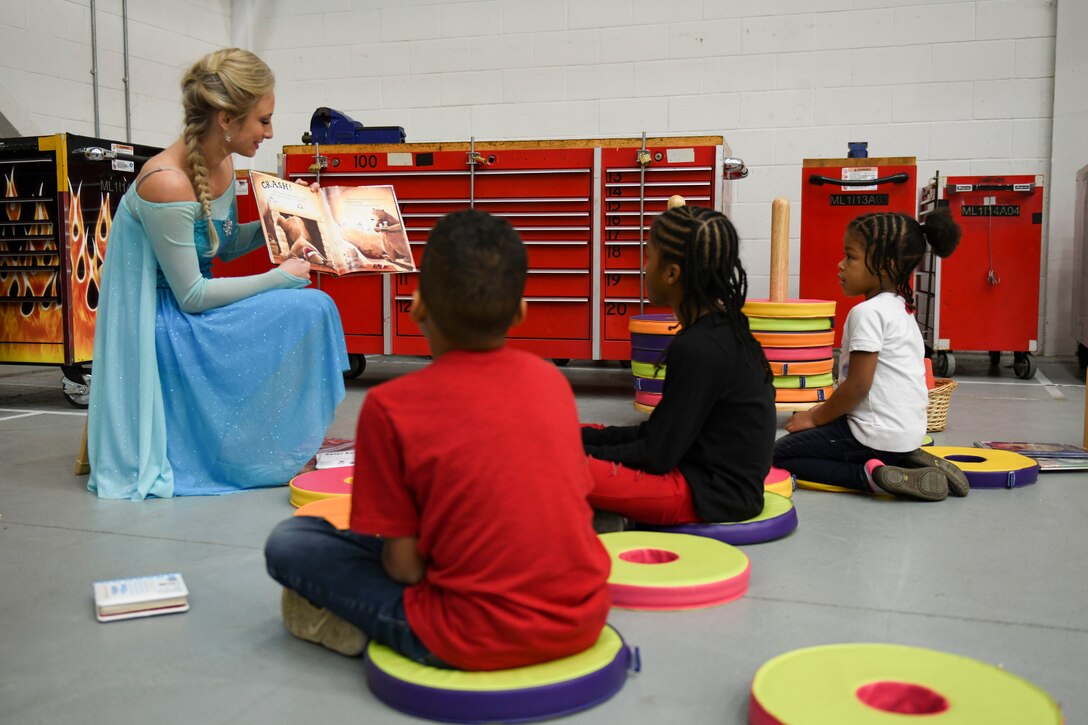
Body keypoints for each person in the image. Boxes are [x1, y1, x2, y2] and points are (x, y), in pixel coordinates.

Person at [264, 209, 611, 670]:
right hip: (581, 617)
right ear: (520, 312)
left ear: (418, 306)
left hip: (464, 635)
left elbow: (405, 569)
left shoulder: (390, 406)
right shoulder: (553, 384)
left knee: (292, 541)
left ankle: (361, 627)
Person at [87, 48, 349, 500]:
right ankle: (261, 444)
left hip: (192, 310)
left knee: (313, 307)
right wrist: (282, 276)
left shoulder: (223, 162)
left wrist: (289, 219)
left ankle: (266, 440)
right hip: (163, 321)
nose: (270, 132)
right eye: (263, 121)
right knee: (310, 305)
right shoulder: (167, 181)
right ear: (226, 119)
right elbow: (191, 294)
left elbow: (222, 245)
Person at [582, 205, 777, 528]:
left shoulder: (699, 348)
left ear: (671, 274)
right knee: (576, 433)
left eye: (649, 258)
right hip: (705, 475)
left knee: (551, 463)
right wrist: (581, 439)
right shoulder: (721, 329)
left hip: (711, 495)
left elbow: (656, 455)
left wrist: (579, 454)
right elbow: (659, 434)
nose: (644, 267)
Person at [772, 209, 970, 500]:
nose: (840, 265)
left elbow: (857, 386)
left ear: (885, 266)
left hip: (873, 435)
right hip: (906, 433)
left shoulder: (867, 313)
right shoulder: (901, 308)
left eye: (850, 257)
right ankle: (903, 459)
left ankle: (870, 477)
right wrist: (819, 414)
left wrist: (814, 419)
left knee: (780, 455)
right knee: (816, 436)